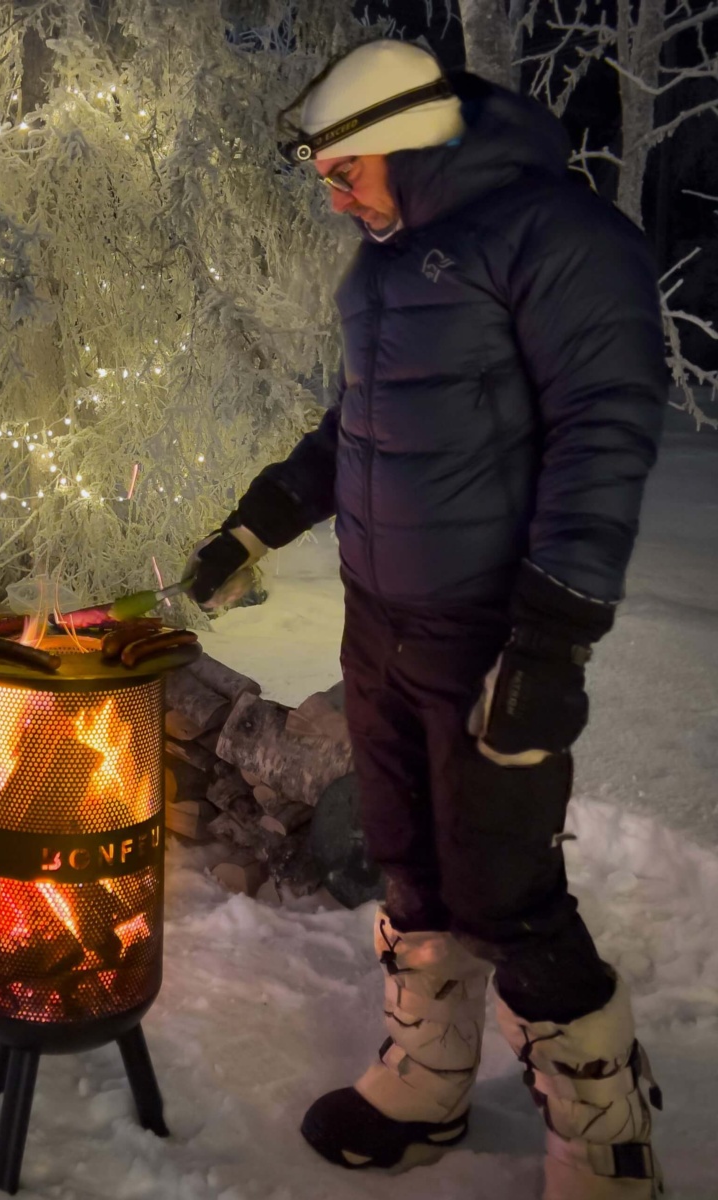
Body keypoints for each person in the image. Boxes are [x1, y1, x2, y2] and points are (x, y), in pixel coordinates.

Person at [186, 38, 667, 1200]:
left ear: (410, 139)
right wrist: (257, 525)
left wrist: (555, 638)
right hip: (381, 620)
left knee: (504, 880)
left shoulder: (561, 241)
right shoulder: (385, 272)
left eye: (346, 168)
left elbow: (604, 433)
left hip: (495, 631)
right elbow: (355, 429)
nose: (335, 192)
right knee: (409, 861)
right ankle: (427, 1073)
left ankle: (607, 1130)